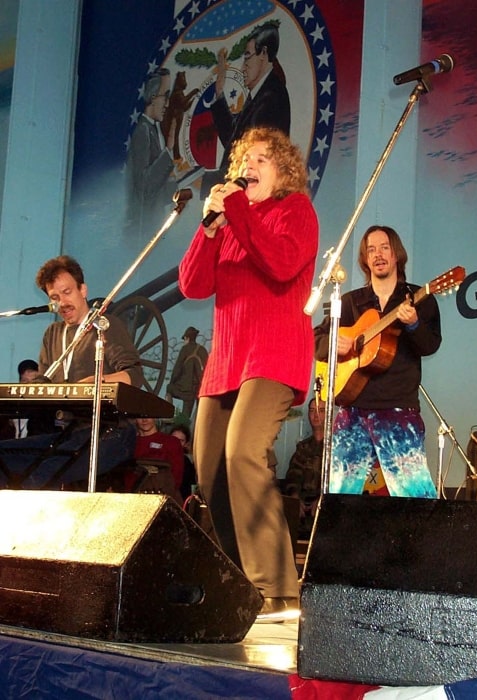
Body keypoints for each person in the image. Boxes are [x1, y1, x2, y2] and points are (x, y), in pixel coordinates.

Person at [178, 126, 319, 620]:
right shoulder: (231, 221)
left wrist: (235, 211)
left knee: (243, 453)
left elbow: (281, 264)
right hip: (226, 364)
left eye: (263, 158)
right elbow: (193, 285)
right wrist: (209, 228)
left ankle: (278, 590)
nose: (250, 165)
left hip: (273, 356)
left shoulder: (295, 211)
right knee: (210, 471)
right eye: (245, 158)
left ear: (282, 171)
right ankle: (240, 585)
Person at [314, 225, 441, 498]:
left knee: (413, 499)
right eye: (371, 250)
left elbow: (430, 345)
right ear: (365, 259)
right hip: (352, 411)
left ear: (396, 255)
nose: (378, 254)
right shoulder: (349, 302)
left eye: (384, 247)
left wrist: (414, 323)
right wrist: (335, 343)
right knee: (338, 496)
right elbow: (316, 340)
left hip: (398, 410)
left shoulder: (420, 299)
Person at [0, 255, 143, 490]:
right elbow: (46, 386)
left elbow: (133, 375)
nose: (62, 302)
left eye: (67, 292)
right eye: (54, 297)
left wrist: (96, 382)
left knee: (40, 470)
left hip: (112, 433)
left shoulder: (104, 324)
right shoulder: (52, 334)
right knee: (6, 456)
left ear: (83, 290)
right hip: (69, 434)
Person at [201, 23, 290, 197]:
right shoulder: (261, 93)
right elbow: (234, 141)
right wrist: (220, 94)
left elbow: (249, 168)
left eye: (247, 56)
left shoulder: (271, 99)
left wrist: (202, 182)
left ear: (263, 53)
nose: (242, 67)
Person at [126, 68, 176, 236]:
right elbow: (144, 187)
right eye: (165, 96)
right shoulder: (143, 131)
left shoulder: (154, 130)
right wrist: (168, 153)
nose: (168, 104)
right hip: (142, 233)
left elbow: (158, 190)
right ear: (153, 97)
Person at [284, 397, 325, 539]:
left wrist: (322, 500)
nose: (316, 415)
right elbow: (293, 476)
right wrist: (295, 498)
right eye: (312, 410)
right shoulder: (303, 448)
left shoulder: (336, 448)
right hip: (302, 508)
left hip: (324, 508)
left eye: (321, 410)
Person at [166, 326, 208, 418]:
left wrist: (172, 383)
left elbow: (177, 369)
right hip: (200, 389)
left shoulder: (185, 349)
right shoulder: (203, 350)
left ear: (187, 338)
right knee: (200, 417)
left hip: (186, 390)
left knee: (169, 388)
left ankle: (168, 415)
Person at [169, 423, 197, 501]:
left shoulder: (187, 463)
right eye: (174, 439)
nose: (176, 443)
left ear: (186, 444)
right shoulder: (161, 457)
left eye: (181, 440)